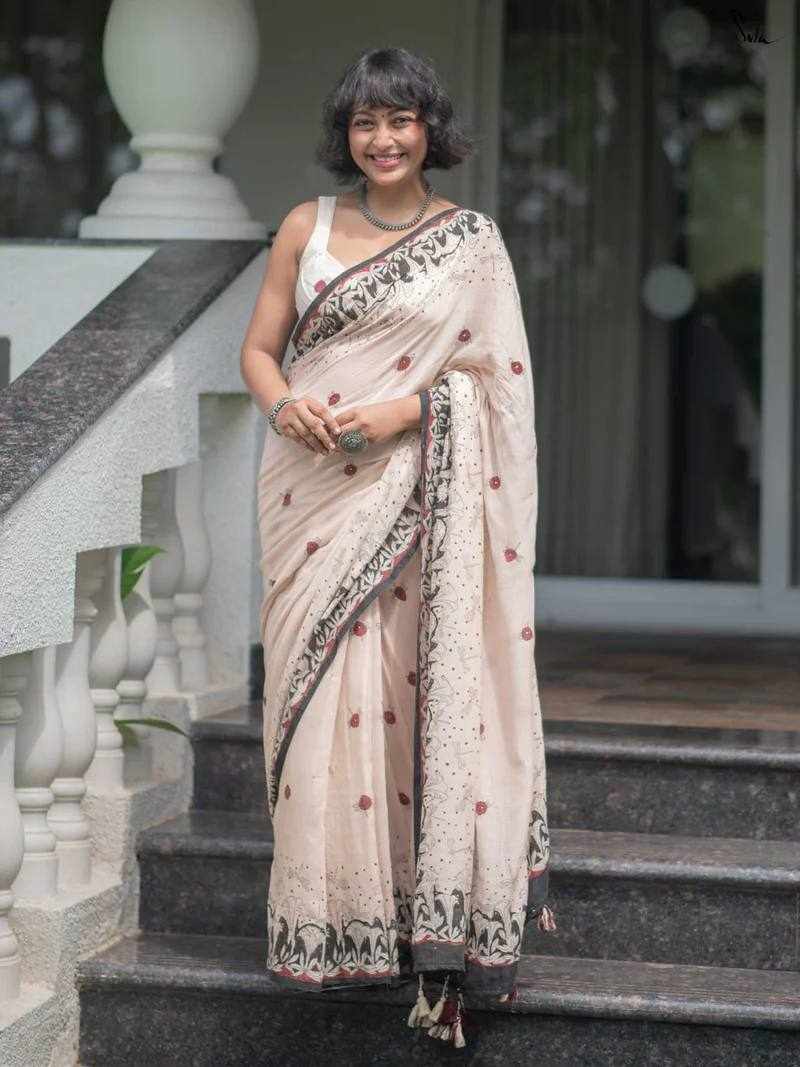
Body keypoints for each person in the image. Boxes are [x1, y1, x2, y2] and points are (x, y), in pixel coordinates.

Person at [239, 45, 555, 1049]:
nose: (382, 139)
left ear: (430, 130)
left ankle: (419, 914)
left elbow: (494, 384)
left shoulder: (471, 242)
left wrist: (407, 410)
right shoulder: (306, 225)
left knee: (402, 688)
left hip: (413, 489)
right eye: (365, 121)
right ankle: (331, 914)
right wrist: (282, 405)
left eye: (400, 120)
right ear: (347, 133)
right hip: (306, 491)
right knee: (316, 693)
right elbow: (258, 348)